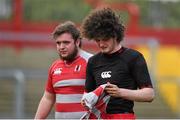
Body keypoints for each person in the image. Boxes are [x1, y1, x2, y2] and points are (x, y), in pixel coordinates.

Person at [81, 7, 155, 119]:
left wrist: (120, 92)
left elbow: (149, 94)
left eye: (105, 39)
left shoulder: (134, 57)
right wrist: (86, 100)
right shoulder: (93, 61)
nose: (101, 44)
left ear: (115, 35)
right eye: (97, 40)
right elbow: (86, 95)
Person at [35, 21, 92, 119]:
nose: (61, 47)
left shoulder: (92, 62)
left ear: (77, 42)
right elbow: (48, 98)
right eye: (58, 43)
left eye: (66, 42)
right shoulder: (55, 67)